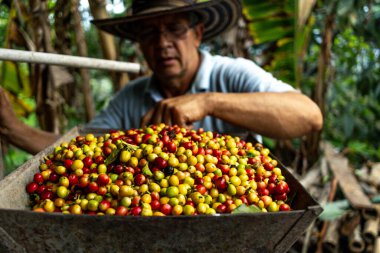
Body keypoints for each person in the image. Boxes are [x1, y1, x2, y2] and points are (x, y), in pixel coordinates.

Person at [0, 0, 323, 155]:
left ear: (197, 34)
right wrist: (13, 128)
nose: (163, 42)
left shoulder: (232, 74)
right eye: (150, 33)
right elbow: (77, 148)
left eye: (175, 29)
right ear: (140, 44)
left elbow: (308, 116)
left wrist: (208, 102)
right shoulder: (132, 98)